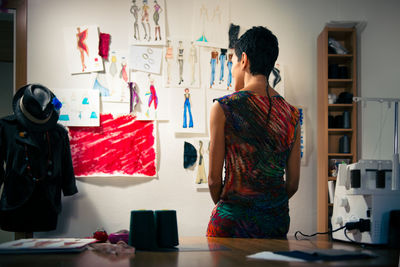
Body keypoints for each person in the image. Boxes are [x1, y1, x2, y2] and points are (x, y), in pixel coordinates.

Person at [206, 26, 300, 238]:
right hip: (274, 224)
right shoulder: (292, 114)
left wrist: (235, 209)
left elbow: (213, 180)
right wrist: (266, 206)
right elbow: (293, 183)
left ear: (244, 60)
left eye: (233, 63)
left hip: (230, 223)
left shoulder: (223, 107)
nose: (232, 71)